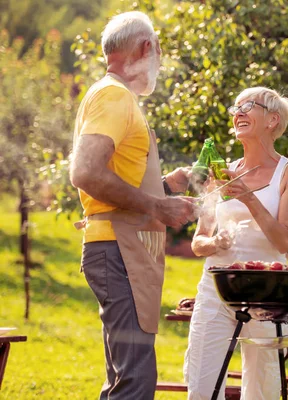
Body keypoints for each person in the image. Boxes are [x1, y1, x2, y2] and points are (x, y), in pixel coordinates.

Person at [69, 11, 196, 399]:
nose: (158, 59)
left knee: (126, 377)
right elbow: (86, 172)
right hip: (117, 250)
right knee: (136, 381)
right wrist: (157, 208)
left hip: (117, 249)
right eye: (157, 51)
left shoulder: (111, 95)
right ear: (145, 48)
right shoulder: (114, 96)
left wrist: (163, 187)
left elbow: (111, 176)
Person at [184, 87, 288, 400]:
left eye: (247, 106)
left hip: (267, 293)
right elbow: (198, 242)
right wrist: (214, 243)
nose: (237, 112)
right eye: (235, 107)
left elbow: (283, 240)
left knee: (264, 391)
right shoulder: (220, 172)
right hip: (216, 288)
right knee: (202, 387)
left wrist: (247, 197)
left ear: (272, 120)